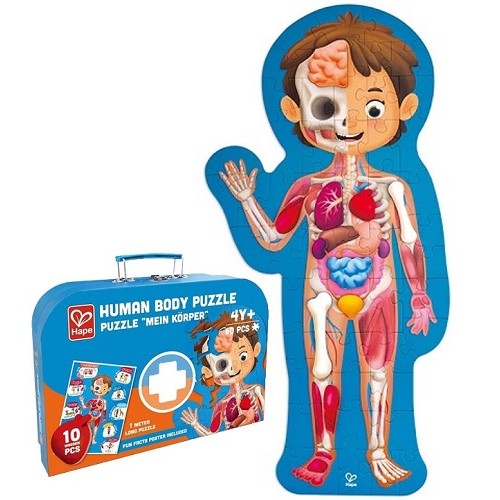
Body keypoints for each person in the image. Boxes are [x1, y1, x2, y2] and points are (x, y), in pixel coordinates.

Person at [218, 12, 436, 487]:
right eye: (325, 107)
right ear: (295, 110)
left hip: (379, 289)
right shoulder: (308, 186)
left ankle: (378, 450)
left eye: (371, 107)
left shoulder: (394, 187)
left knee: (379, 372)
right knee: (322, 369)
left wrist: (420, 295)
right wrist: (247, 201)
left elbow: (409, 241)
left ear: (404, 107)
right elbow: (274, 239)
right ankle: (322, 451)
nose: (348, 121)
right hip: (322, 292)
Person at [181, 312, 265, 435]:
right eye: (222, 364)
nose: (233, 368)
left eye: (242, 356)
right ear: (208, 371)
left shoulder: (256, 390)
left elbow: (270, 417)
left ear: (255, 350)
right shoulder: (220, 405)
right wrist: (195, 424)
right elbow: (211, 434)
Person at [80, 374, 112, 444]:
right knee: (88, 427)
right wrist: (82, 401)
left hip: (98, 417)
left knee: (95, 428)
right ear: (92, 388)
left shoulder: (104, 401)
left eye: (104, 389)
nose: (100, 390)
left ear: (108, 389)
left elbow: (104, 410)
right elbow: (85, 407)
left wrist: (104, 418)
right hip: (90, 416)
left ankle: (93, 439)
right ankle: (86, 439)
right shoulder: (91, 400)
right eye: (97, 388)